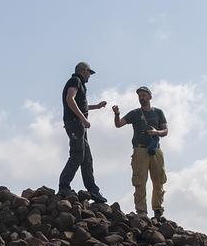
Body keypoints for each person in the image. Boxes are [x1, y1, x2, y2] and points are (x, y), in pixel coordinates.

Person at [113, 86, 168, 219]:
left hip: (155, 149)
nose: (141, 98)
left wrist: (156, 132)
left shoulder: (158, 112)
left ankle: (158, 211)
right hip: (140, 149)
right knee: (139, 181)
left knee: (159, 181)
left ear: (150, 97)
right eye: (139, 96)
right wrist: (117, 114)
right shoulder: (135, 113)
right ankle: (142, 212)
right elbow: (119, 124)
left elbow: (165, 131)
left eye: (144, 95)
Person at [57, 61, 108, 202]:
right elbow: (70, 99)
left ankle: (93, 191)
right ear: (83, 70)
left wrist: (96, 107)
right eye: (89, 72)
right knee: (78, 154)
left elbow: (80, 105)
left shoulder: (80, 84)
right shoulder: (75, 80)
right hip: (76, 124)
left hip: (77, 124)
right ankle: (64, 186)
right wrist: (82, 119)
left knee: (87, 158)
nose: (90, 76)